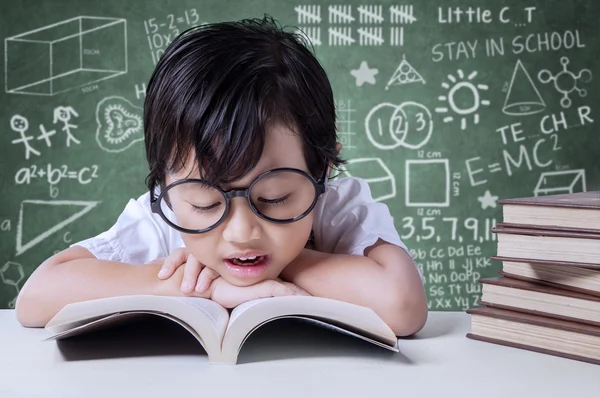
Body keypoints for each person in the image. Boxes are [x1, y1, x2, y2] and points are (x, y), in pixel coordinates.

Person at [15, 15, 427, 336]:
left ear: (322, 170)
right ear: (166, 185)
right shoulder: (162, 221)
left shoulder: (338, 207)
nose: (242, 233)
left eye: (275, 198)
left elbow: (403, 305)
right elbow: (35, 298)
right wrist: (193, 285)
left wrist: (282, 265)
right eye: (206, 203)